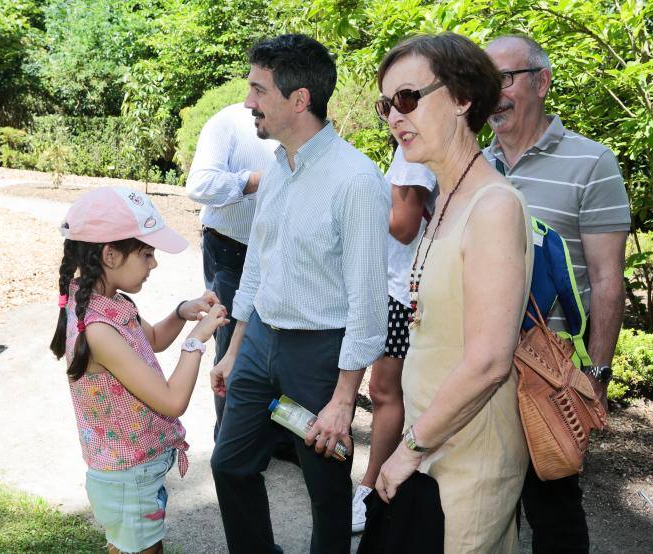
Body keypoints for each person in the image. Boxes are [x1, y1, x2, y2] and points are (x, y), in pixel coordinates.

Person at [209, 34, 389, 554]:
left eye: (258, 91)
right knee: (229, 464)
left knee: (326, 490)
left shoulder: (356, 181)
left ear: (299, 99)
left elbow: (367, 302)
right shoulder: (277, 171)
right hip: (261, 341)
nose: (248, 104)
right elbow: (258, 265)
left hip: (320, 357)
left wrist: (342, 400)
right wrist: (236, 350)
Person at [373, 33, 533, 553]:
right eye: (387, 105)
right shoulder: (445, 198)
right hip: (433, 449)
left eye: (408, 98)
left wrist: (409, 449)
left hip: (469, 460)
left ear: (463, 98)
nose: (396, 117)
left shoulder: (492, 206)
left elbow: (489, 360)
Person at [483, 35, 630, 553]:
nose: (493, 92)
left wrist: (598, 374)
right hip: (480, 366)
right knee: (483, 501)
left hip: (549, 371)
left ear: (542, 82)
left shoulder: (592, 163)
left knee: (553, 502)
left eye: (505, 78)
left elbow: (608, 278)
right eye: (484, 79)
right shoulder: (473, 166)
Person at [50, 187, 229, 554]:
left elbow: (154, 339)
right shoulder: (98, 330)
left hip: (132, 475)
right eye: (147, 253)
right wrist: (197, 339)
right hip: (127, 481)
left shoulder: (107, 303)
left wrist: (183, 312)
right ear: (110, 254)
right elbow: (172, 400)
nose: (154, 263)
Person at [351, 147, 437, 533]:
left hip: (402, 294)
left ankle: (371, 490)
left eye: (398, 102)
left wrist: (358, 204)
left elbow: (403, 225)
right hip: (398, 290)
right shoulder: (411, 149)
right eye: (385, 107)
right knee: (386, 391)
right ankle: (375, 486)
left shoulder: (412, 153)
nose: (391, 115)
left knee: (385, 392)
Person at [186, 103, 277, 439]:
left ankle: (273, 436)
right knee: (229, 344)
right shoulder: (227, 123)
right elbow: (199, 186)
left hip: (282, 252)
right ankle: (228, 437)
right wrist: (259, 181)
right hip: (230, 250)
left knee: (276, 343)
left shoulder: (301, 128)